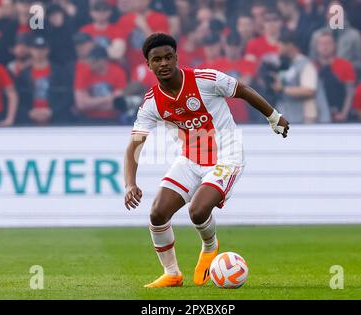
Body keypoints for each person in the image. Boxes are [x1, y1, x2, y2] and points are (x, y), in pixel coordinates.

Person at [123, 33, 289, 288]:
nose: (164, 63)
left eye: (168, 57)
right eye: (157, 59)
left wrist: (273, 117)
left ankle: (210, 246)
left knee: (198, 210)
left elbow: (242, 90)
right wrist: (130, 184)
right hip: (190, 159)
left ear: (177, 57)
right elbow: (135, 144)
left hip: (226, 156)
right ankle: (172, 274)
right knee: (157, 213)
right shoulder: (152, 102)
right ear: (148, 64)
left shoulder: (205, 79)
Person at [15, 36, 73, 125]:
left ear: (48, 50)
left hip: (56, 119)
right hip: (30, 119)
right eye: (36, 49)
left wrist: (53, 111)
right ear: (30, 50)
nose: (39, 52)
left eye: (42, 49)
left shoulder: (59, 72)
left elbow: (67, 95)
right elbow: (19, 96)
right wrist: (28, 112)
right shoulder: (23, 74)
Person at [274, 32, 321, 124]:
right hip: (289, 117)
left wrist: (283, 89)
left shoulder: (306, 65)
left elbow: (309, 91)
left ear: (289, 46)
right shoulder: (285, 65)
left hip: (306, 118)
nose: (278, 49)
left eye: (280, 45)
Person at [74, 45, 127, 124]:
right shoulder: (83, 72)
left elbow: (120, 104)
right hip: (88, 119)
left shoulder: (118, 72)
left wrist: (90, 103)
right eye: (89, 61)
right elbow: (81, 104)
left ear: (103, 60)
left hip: (113, 119)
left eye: (93, 61)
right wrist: (109, 98)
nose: (90, 64)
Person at [313, 30, 356, 122]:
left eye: (328, 43)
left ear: (334, 45)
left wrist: (344, 114)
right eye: (322, 44)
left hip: (339, 113)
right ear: (316, 47)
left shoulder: (345, 65)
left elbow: (350, 93)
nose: (325, 47)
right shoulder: (311, 66)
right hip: (317, 115)